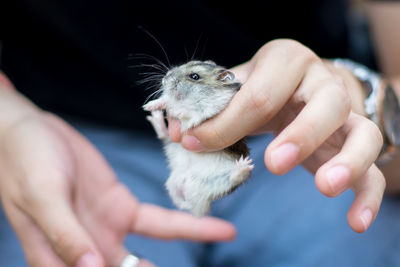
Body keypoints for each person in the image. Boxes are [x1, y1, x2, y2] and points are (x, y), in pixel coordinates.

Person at [0, 0, 399, 266]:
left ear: (224, 81)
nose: (173, 78)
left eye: (191, 76)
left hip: (293, 134)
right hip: (57, 133)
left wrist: (369, 103)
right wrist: (9, 122)